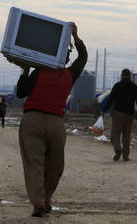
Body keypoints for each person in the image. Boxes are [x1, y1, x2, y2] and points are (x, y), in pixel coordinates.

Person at [15, 22, 87, 217]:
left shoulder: (39, 71)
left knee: (36, 163)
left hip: (34, 120)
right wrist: (76, 36)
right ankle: (41, 201)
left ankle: (42, 201)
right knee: (55, 165)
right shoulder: (70, 73)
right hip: (54, 123)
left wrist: (26, 70)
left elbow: (21, 92)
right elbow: (84, 57)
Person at [101, 68, 137, 162]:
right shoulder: (135, 86)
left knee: (115, 134)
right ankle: (125, 156)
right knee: (126, 135)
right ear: (130, 76)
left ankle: (118, 149)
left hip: (118, 113)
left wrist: (104, 110)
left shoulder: (117, 85)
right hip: (130, 115)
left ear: (121, 75)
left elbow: (111, 99)